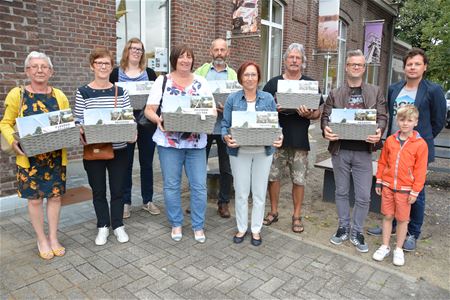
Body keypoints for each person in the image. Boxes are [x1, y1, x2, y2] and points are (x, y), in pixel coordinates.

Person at [367, 48, 446, 251]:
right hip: (394, 147)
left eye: (417, 64)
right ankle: (392, 225)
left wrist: (421, 140)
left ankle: (413, 233)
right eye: (409, 64)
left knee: (415, 193)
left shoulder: (432, 90)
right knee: (393, 189)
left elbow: (438, 121)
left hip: (417, 149)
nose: (412, 67)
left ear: (424, 67)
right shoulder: (394, 89)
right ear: (404, 68)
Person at [0, 51, 69, 259]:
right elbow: (5, 122)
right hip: (29, 158)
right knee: (36, 200)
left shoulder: (59, 95)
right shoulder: (17, 94)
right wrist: (13, 141)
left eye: (44, 67)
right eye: (35, 66)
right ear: (27, 71)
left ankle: (54, 237)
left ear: (51, 71)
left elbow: (66, 122)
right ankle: (41, 239)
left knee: (55, 198)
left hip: (55, 157)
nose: (40, 70)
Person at [144, 44, 215, 243]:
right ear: (174, 59)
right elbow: (149, 109)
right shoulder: (162, 81)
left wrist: (204, 119)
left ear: (193, 60)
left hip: (196, 143)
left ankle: (198, 225)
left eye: (189, 57)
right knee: (171, 185)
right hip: (169, 142)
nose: (185, 60)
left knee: (199, 186)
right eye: (181, 56)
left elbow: (211, 110)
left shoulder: (201, 82)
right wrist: (158, 120)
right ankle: (176, 223)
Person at [321, 49, 387, 253]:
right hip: (340, 150)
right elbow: (325, 117)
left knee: (363, 196)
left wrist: (379, 131)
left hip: (363, 151)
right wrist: (326, 130)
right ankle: (343, 227)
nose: (356, 67)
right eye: (352, 64)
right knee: (341, 192)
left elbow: (383, 117)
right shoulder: (335, 93)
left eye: (359, 64)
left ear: (364, 68)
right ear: (347, 67)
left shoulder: (375, 92)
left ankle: (357, 231)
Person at [74, 48, 132, 246]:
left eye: (106, 63)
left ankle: (117, 225)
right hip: (94, 150)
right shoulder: (83, 92)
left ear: (111, 66)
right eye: (99, 63)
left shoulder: (120, 91)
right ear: (92, 66)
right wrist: (81, 132)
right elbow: (78, 121)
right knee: (98, 191)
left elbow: (128, 118)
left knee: (118, 190)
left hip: (119, 149)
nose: (103, 67)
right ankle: (103, 226)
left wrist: (132, 131)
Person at [262, 43, 322, 233]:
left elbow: (317, 113)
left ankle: (296, 215)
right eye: (291, 57)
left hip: (299, 140)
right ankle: (273, 211)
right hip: (276, 139)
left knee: (299, 179)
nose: (294, 61)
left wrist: (308, 114)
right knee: (273, 177)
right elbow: (261, 109)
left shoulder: (310, 84)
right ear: (285, 60)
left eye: (298, 58)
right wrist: (273, 108)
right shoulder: (273, 84)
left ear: (303, 62)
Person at [222, 61, 283, 246]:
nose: (250, 78)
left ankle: (256, 229)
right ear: (240, 78)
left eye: (253, 75)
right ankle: (241, 227)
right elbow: (225, 124)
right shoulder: (232, 99)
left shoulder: (267, 99)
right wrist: (226, 137)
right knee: (241, 192)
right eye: (246, 75)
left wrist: (280, 136)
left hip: (262, 152)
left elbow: (275, 124)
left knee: (258, 193)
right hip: (239, 151)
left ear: (258, 78)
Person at [109, 38, 160, 219]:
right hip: (124, 123)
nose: (136, 52)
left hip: (146, 124)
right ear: (127, 51)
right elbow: (110, 99)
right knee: (125, 163)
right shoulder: (115, 74)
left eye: (140, 49)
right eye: (133, 49)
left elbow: (156, 100)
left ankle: (147, 200)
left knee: (147, 163)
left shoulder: (150, 73)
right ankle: (125, 202)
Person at [372, 105, 428, 266]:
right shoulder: (390, 140)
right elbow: (383, 162)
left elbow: (420, 170)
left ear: (416, 122)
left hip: (405, 190)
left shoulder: (420, 144)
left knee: (403, 220)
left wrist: (415, 191)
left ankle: (398, 249)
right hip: (388, 186)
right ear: (397, 120)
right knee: (387, 216)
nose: (405, 123)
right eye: (402, 120)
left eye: (409, 120)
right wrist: (379, 180)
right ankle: (385, 246)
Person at [195, 38, 237, 218]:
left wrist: (226, 108)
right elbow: (193, 93)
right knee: (197, 165)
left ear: (228, 52)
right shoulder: (201, 71)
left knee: (226, 167)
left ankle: (224, 202)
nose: (219, 53)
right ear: (210, 51)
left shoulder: (234, 75)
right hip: (204, 126)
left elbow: (238, 100)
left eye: (223, 50)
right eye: (216, 50)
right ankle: (197, 201)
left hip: (224, 127)